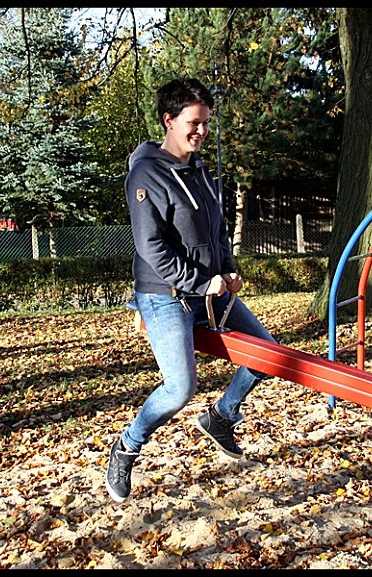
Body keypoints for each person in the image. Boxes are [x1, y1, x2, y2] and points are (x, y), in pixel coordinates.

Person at [106, 77, 277, 502]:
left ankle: (222, 417)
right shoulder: (146, 174)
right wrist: (203, 281)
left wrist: (228, 271)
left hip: (208, 291)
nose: (201, 131)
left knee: (267, 355)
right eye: (193, 123)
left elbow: (215, 230)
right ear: (169, 120)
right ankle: (127, 445)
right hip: (164, 296)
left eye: (205, 123)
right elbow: (151, 247)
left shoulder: (198, 169)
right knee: (180, 389)